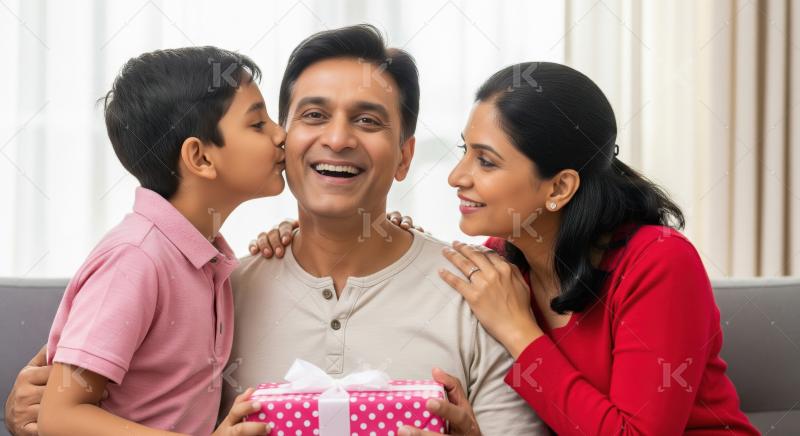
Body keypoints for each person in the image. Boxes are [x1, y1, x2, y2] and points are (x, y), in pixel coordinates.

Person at [252, 62, 760, 435]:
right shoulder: (505, 258)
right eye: (463, 151)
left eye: (487, 162)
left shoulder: (658, 261)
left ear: (558, 189)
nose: (457, 176)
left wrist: (520, 332)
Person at [38, 46, 286, 435]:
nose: (281, 133)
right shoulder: (135, 259)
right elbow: (59, 417)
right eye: (258, 124)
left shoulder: (208, 258)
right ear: (200, 158)